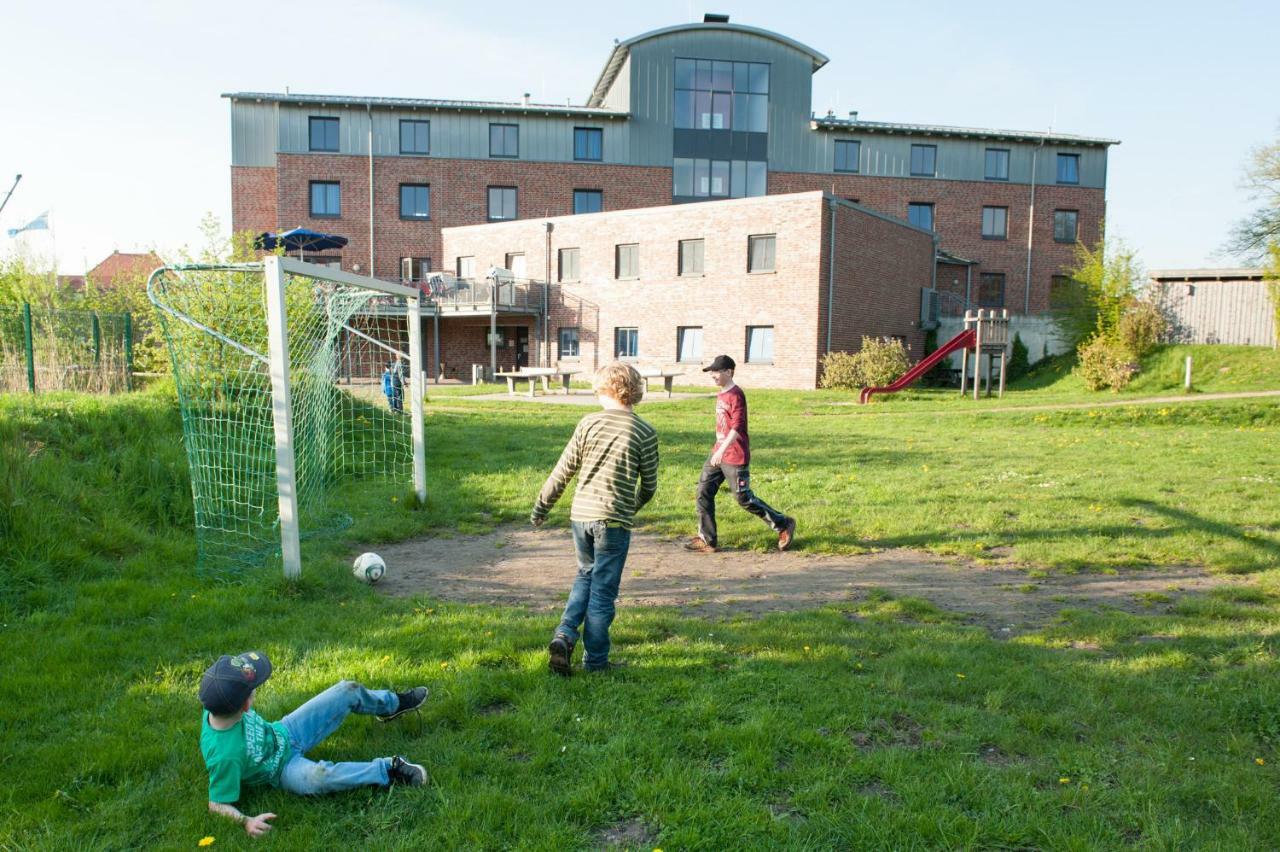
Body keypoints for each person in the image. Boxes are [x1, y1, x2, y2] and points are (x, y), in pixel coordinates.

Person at [199, 650, 429, 838]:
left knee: (345, 690)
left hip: (286, 730)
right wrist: (246, 821)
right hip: (282, 770)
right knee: (321, 776)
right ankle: (390, 769)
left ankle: (393, 704)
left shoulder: (218, 704)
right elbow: (216, 803)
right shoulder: (225, 756)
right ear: (246, 706)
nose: (256, 690)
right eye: (253, 690)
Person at [531, 363, 659, 675]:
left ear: (605, 390)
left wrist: (541, 507)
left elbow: (563, 471)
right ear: (634, 392)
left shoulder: (588, 424)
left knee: (585, 575)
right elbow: (649, 486)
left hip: (581, 517)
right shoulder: (644, 431)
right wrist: (629, 509)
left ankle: (564, 634)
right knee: (603, 592)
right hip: (614, 523)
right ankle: (596, 662)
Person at [685, 354, 796, 553]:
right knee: (703, 492)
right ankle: (707, 539)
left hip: (734, 455)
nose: (713, 375)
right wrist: (718, 451)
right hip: (718, 453)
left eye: (717, 371)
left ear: (729, 372)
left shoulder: (736, 395)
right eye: (712, 372)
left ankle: (783, 523)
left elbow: (737, 428)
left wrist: (722, 450)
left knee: (744, 498)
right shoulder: (721, 394)